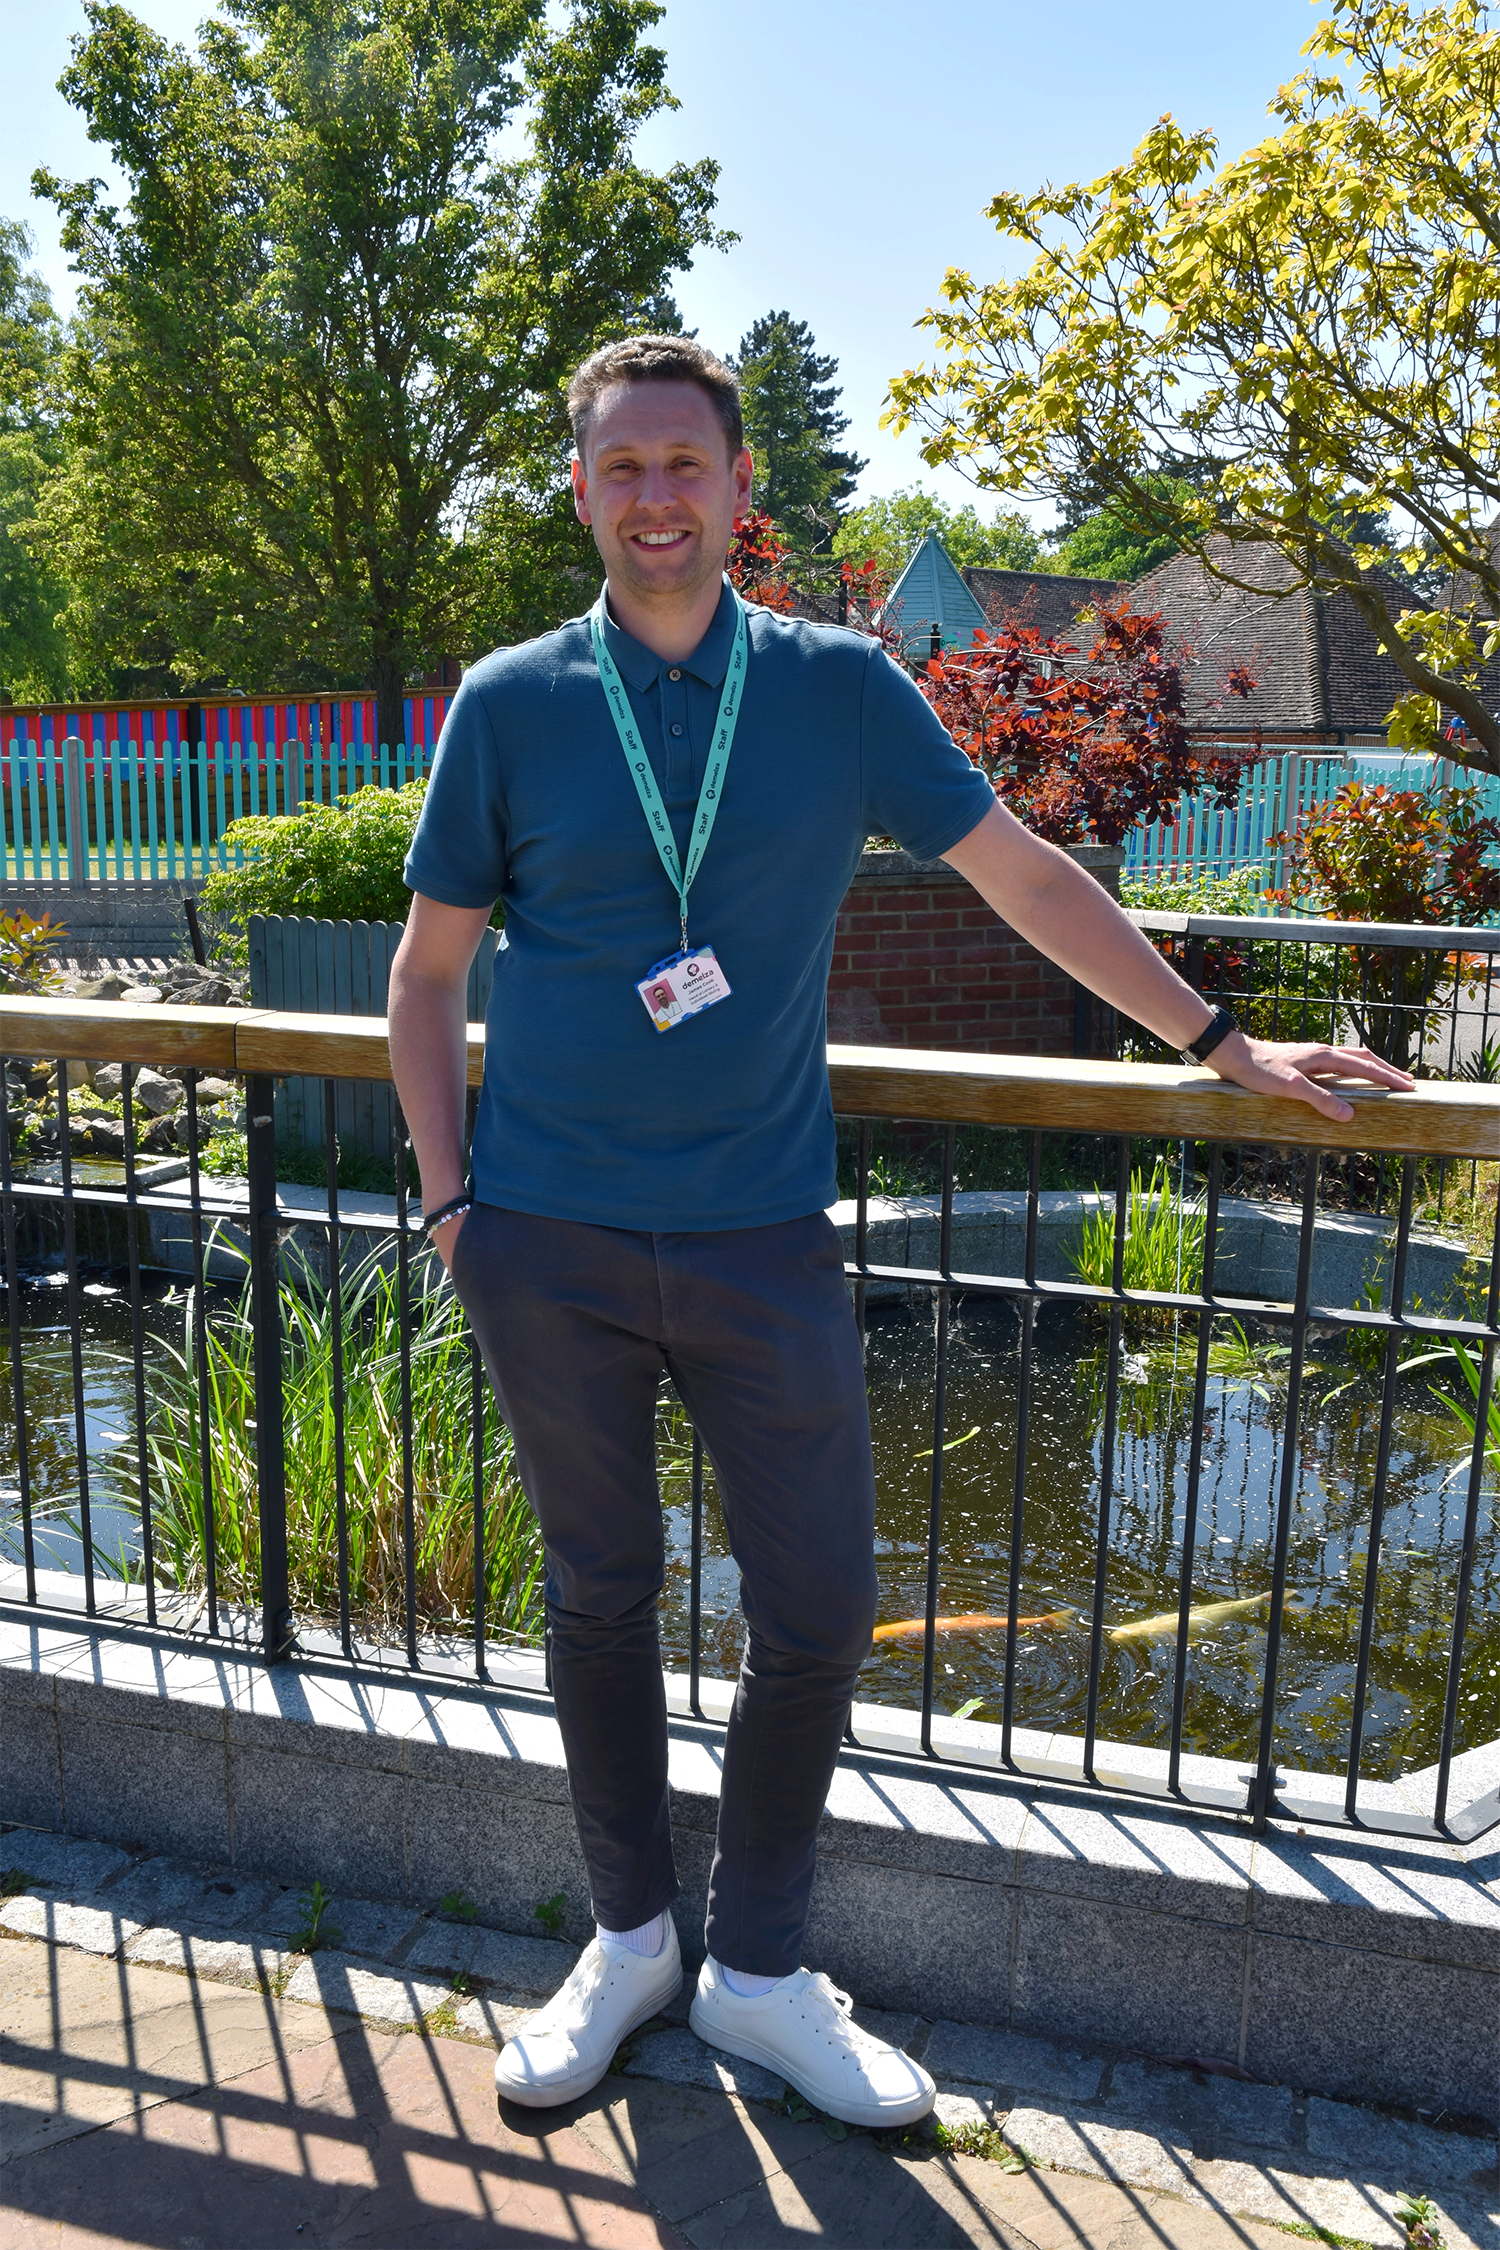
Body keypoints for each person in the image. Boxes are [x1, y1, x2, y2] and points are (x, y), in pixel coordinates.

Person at [387, 334, 1412, 2129]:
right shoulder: (512, 699)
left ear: (736, 486)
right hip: (546, 1236)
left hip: (762, 1233)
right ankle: (631, 1940)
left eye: (682, 464)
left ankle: (761, 1967)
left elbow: (1020, 868)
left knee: (823, 1604)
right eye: (619, 467)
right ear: (580, 488)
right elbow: (427, 970)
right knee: (597, 1600)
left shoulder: (842, 688)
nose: (652, 498)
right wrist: (456, 1200)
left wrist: (1222, 1039)